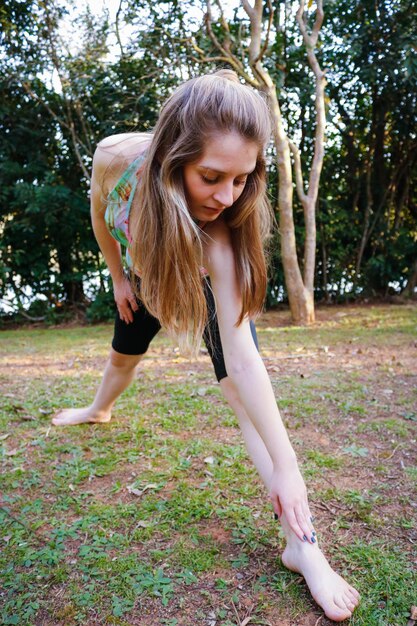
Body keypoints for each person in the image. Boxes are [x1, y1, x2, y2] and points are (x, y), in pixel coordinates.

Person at [52, 70, 360, 621]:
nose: (227, 196)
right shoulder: (115, 156)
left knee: (244, 398)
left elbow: (243, 360)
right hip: (146, 271)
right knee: (122, 358)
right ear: (173, 158)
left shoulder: (222, 231)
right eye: (212, 176)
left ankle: (304, 548)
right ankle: (98, 409)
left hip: (201, 279)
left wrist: (290, 468)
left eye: (242, 179)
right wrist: (119, 277)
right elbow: (101, 216)